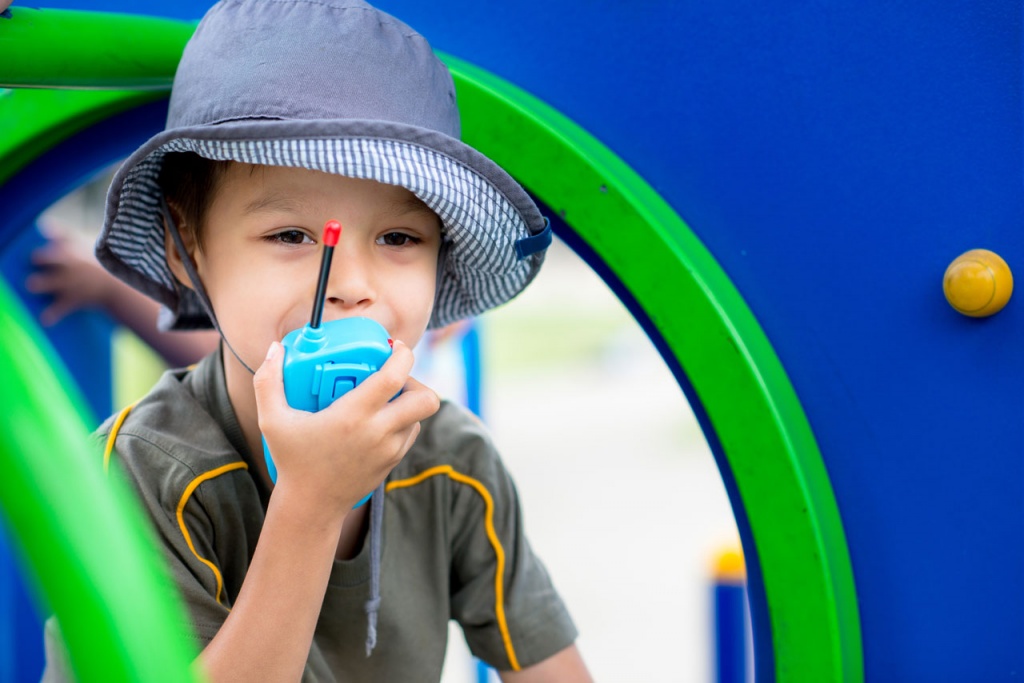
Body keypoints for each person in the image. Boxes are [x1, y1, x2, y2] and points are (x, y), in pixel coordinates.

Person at [41, 1, 591, 681]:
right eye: (290, 236)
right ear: (186, 250)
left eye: (399, 238)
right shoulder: (138, 477)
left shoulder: (454, 464)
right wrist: (311, 505)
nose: (352, 285)